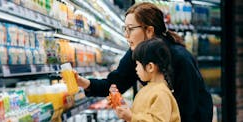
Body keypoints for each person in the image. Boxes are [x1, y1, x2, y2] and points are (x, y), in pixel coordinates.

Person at [74, 2, 213, 121]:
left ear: (149, 31)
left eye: (130, 29)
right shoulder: (137, 53)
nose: (126, 35)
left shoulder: (181, 58)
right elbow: (115, 83)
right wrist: (84, 83)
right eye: (125, 29)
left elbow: (188, 109)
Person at [114, 38, 180, 122]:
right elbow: (142, 114)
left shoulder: (161, 94)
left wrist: (131, 117)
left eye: (138, 64)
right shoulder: (148, 89)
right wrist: (125, 110)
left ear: (150, 67)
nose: (136, 68)